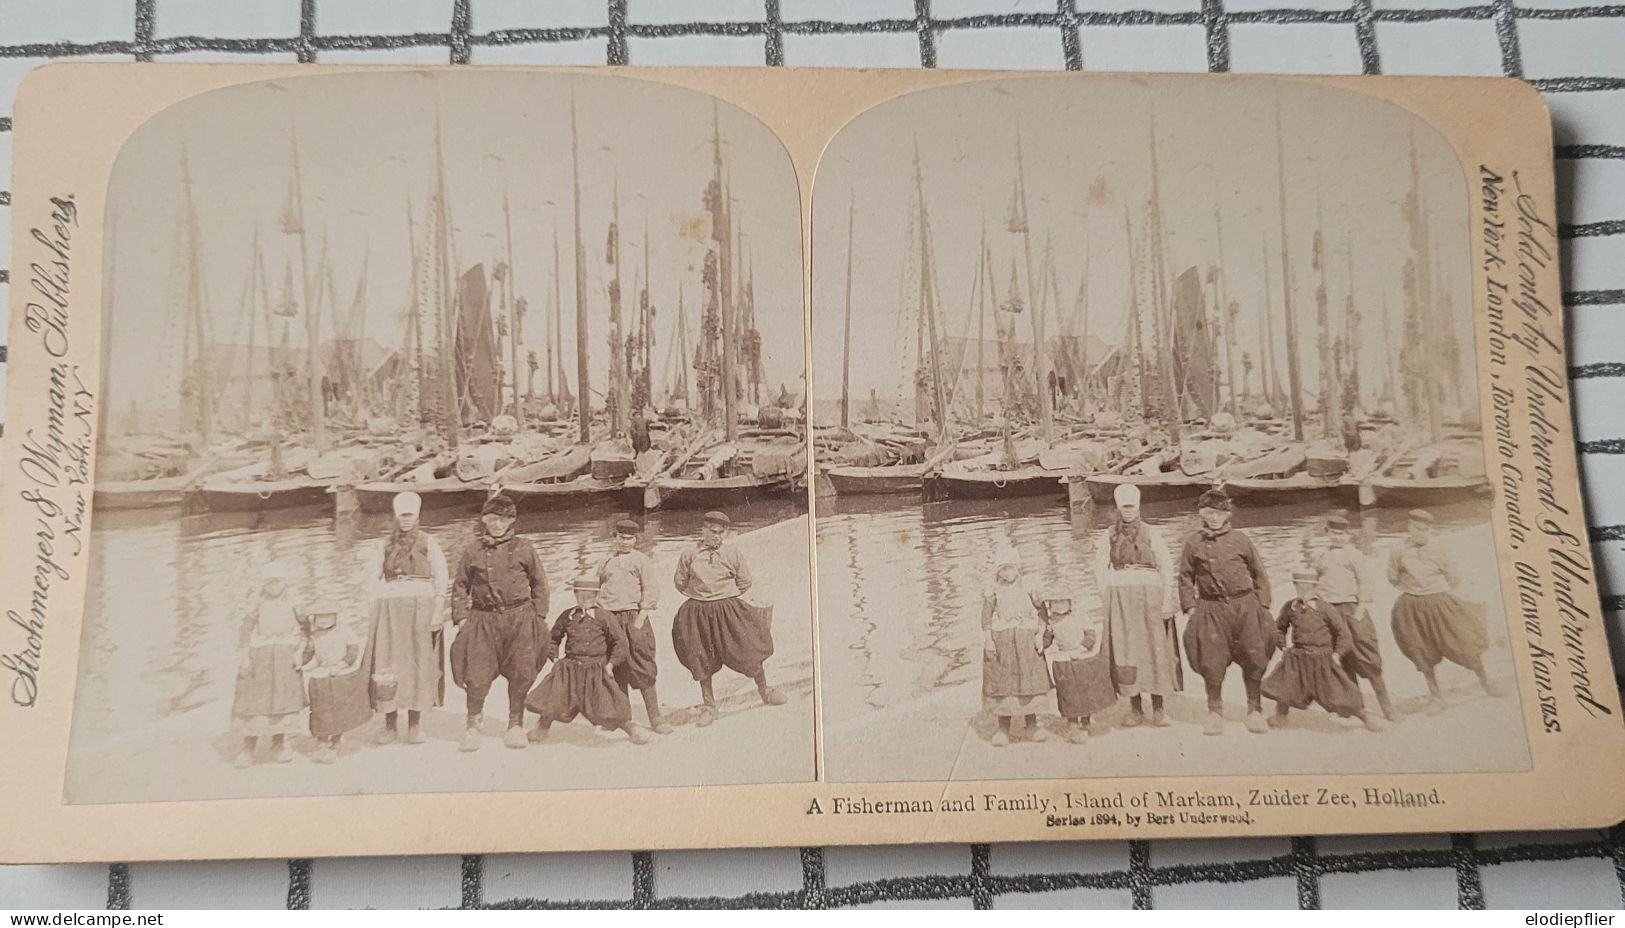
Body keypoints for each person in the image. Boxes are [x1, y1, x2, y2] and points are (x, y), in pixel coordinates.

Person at [450, 493, 550, 751]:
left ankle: (515, 724)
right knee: (476, 674)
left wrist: (538, 617)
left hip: (520, 618)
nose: (497, 524)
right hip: (483, 620)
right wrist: (462, 618)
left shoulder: (525, 548)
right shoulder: (472, 550)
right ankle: (473, 725)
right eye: (492, 519)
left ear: (511, 520)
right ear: (484, 520)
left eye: (503, 519)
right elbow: (460, 586)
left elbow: (540, 583)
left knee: (521, 672)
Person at [1178, 487, 1276, 736]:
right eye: (1209, 512)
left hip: (1245, 605)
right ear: (1202, 514)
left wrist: (1262, 606)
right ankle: (1214, 712)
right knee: (1212, 661)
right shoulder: (1193, 543)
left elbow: (1259, 573)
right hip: (1210, 608)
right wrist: (1190, 608)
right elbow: (1185, 578)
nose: (1214, 518)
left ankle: (1254, 710)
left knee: (1254, 658)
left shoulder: (1241, 540)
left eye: (1219, 512)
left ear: (1227, 514)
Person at [671, 511, 784, 725]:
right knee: (700, 655)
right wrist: (702, 597)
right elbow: (680, 582)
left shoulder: (732, 553)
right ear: (703, 530)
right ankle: (709, 706)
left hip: (727, 607)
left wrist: (724, 597)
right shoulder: (689, 554)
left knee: (748, 647)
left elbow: (745, 581)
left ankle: (765, 690)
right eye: (713, 532)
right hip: (698, 611)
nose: (717, 537)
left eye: (721, 533)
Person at [1387, 508, 1501, 709]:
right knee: (1421, 651)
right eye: (1416, 528)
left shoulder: (1439, 549)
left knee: (1463, 643)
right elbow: (1393, 577)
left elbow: (1454, 577)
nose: (1420, 533)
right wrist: (1412, 589)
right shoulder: (1398, 551)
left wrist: (1434, 590)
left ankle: (1487, 682)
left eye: (1425, 529)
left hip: (1439, 602)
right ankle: (1436, 697)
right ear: (1409, 527)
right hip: (1411, 606)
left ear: (1430, 529)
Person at [364, 491, 449, 746]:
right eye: (402, 515)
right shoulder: (385, 544)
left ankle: (414, 725)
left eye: (410, 515)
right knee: (387, 664)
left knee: (417, 664)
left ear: (418, 515)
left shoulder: (427, 542)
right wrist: (372, 609)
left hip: (420, 608)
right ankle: (389, 724)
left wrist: (438, 610)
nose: (406, 520)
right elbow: (371, 577)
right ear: (396, 516)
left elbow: (441, 575)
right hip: (390, 608)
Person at [1093, 482, 1180, 728]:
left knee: (1153, 649)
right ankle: (1135, 708)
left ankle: (1159, 708)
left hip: (1149, 596)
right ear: (1118, 509)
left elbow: (1166, 565)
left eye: (1131, 507)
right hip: (1120, 597)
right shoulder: (1108, 535)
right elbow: (1099, 567)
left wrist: (1166, 599)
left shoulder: (1152, 533)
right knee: (1126, 650)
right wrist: (1106, 596)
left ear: (1138, 507)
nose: (1128, 511)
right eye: (1124, 507)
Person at [525, 577, 649, 745]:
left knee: (606, 704)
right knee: (554, 698)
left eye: (590, 597)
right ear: (575, 595)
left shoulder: (604, 617)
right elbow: (553, 638)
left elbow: (620, 642)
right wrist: (554, 659)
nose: (585, 600)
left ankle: (631, 728)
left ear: (596, 597)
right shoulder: (567, 616)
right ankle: (542, 727)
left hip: (596, 669)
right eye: (581, 596)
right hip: (570, 667)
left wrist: (611, 664)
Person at [1262, 570, 1382, 732]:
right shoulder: (1290, 607)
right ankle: (1281, 715)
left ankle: (1364, 716)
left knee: (1336, 692)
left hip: (1323, 658)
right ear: (1295, 587)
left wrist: (1337, 654)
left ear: (1315, 588)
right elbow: (1279, 627)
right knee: (1286, 685)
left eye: (1308, 588)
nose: (1304, 592)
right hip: (1298, 656)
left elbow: (1343, 633)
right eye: (1300, 588)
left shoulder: (1325, 608)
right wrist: (1282, 644)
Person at [1317, 513, 1400, 722]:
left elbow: (1365, 582)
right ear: (1327, 533)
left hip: (1351, 609)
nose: (1338, 537)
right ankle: (1356, 706)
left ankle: (1387, 707)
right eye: (1334, 533)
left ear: (1348, 535)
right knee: (1343, 660)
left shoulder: (1353, 555)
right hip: (1330, 612)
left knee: (1367, 656)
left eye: (1342, 533)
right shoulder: (1322, 556)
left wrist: (1360, 608)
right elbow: (1318, 582)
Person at [231, 561, 308, 768]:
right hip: (261, 653)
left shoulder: (295, 603)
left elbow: (307, 628)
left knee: (282, 699)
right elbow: (245, 629)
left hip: (285, 653)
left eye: (277, 582)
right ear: (263, 585)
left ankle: (280, 743)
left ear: (285, 583)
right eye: (269, 583)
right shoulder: (256, 604)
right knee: (254, 701)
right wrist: (245, 656)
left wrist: (300, 652)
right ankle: (248, 747)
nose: (273, 587)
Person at [598, 519, 670, 734]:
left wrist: (639, 622)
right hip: (611, 618)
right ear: (614, 537)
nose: (625, 542)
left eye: (629, 538)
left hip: (634, 617)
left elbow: (650, 590)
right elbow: (596, 587)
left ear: (636, 539)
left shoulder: (641, 561)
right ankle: (624, 718)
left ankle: (655, 718)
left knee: (642, 664)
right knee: (616, 668)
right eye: (621, 537)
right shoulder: (605, 561)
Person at [981, 543, 1052, 747]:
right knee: (1004, 683)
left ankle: (1032, 723)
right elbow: (986, 617)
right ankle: (1003, 727)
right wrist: (988, 638)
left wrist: (1040, 634)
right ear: (998, 571)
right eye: (1003, 568)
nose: (1008, 572)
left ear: (1017, 567)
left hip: (1025, 638)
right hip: (1002, 639)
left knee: (1028, 680)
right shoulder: (993, 590)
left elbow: (1042, 611)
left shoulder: (1029, 586)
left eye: (1011, 567)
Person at [1039, 597, 1116, 744]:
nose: (1059, 606)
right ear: (1050, 605)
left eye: (1063, 602)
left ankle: (1085, 723)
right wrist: (1041, 641)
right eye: (1055, 603)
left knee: (1085, 692)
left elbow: (1091, 635)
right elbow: (1047, 641)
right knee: (1069, 694)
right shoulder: (1051, 622)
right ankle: (1073, 726)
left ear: (1070, 603)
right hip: (1064, 661)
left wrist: (1081, 648)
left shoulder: (1080, 616)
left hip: (1081, 658)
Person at [302, 611, 370, 763]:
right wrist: (307, 665)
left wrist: (342, 664)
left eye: (328, 617)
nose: (324, 621)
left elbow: (353, 650)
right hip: (323, 675)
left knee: (339, 710)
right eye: (320, 618)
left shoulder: (345, 631)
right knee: (321, 709)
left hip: (340, 674)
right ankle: (322, 742)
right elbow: (315, 657)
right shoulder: (315, 635)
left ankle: (336, 741)